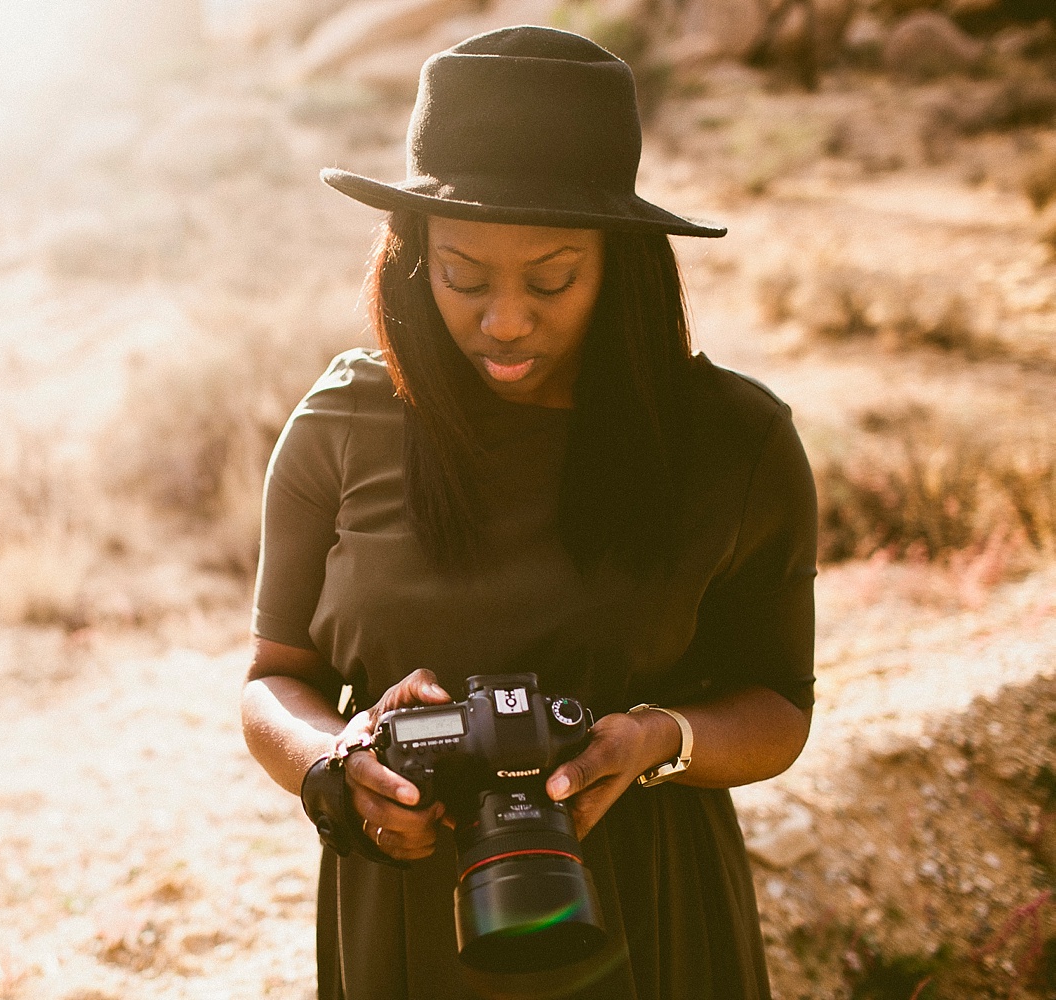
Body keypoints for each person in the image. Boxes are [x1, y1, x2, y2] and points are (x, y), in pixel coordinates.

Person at [240, 26, 816, 1000]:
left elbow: (780, 706)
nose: (505, 320)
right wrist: (336, 768)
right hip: (408, 918)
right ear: (414, 255)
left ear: (623, 264)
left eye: (552, 278)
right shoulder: (342, 425)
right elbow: (272, 681)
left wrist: (655, 739)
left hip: (653, 916)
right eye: (464, 275)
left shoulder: (736, 444)